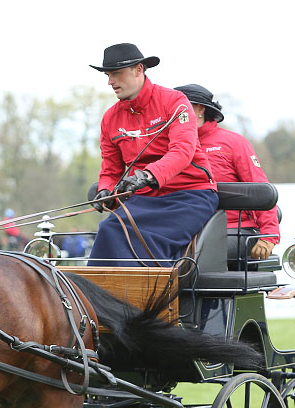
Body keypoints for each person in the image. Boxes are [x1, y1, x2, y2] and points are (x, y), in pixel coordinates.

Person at [87, 43, 218, 266]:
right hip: (144, 199)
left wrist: (147, 176)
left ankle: (154, 300)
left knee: (143, 239)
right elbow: (110, 169)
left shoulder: (175, 102)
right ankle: (95, 300)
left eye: (116, 73)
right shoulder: (110, 118)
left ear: (139, 70)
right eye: (108, 75)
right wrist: (105, 190)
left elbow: (182, 151)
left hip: (189, 196)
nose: (110, 81)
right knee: (108, 229)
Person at [175, 84, 279, 261]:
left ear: (200, 109)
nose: (174, 114)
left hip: (234, 230)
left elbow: (260, 188)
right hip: (185, 231)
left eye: (181, 108)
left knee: (189, 255)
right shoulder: (168, 146)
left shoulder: (234, 143)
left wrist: (269, 236)